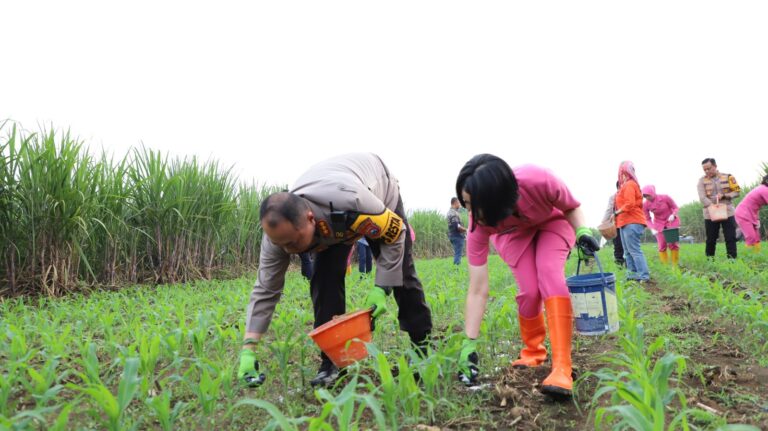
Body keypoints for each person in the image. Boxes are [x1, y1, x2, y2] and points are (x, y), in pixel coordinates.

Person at [238, 153, 433, 388]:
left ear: (310, 219)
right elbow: (266, 289)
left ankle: (421, 347)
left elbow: (396, 234)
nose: (288, 250)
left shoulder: (354, 202)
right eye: (281, 244)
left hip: (377, 190)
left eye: (293, 242)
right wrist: (248, 348)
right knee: (324, 280)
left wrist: (382, 287)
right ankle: (332, 361)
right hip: (330, 216)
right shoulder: (278, 235)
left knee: (402, 273)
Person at [454, 154, 600, 397]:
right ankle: (533, 352)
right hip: (511, 234)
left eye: (472, 204)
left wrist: (582, 231)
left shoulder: (538, 180)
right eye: (466, 204)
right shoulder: (478, 225)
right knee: (530, 291)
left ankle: (562, 367)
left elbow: (571, 206)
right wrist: (469, 342)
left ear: (495, 200)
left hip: (552, 221)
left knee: (549, 275)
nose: (469, 212)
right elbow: (477, 289)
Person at [613, 161, 650, 282]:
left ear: (624, 172)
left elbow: (630, 203)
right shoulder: (626, 185)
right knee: (627, 252)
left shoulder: (629, 184)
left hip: (632, 221)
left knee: (634, 250)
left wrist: (616, 213)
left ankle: (644, 276)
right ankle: (632, 275)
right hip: (624, 222)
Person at [697, 158, 741, 259]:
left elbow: (737, 192)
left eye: (709, 168)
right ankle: (710, 259)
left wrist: (725, 195)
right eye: (704, 170)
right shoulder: (701, 181)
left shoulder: (728, 177)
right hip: (710, 213)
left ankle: (732, 260)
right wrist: (713, 206)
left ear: (715, 166)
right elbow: (702, 197)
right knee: (711, 238)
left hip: (728, 211)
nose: (707, 171)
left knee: (730, 237)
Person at [642, 185, 680, 266]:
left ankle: (675, 265)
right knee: (662, 245)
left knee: (673, 244)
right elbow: (647, 219)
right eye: (645, 196)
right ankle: (665, 266)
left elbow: (675, 207)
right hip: (658, 224)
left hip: (671, 221)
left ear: (652, 192)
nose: (647, 198)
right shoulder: (645, 205)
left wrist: (673, 214)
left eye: (648, 195)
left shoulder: (665, 197)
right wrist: (652, 228)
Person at [735, 175, 768, 253]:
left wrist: (757, 219)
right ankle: (750, 257)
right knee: (751, 237)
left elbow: (756, 205)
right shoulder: (764, 189)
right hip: (743, 213)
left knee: (756, 238)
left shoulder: (762, 188)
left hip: (752, 214)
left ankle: (756, 256)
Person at [601, 182, 625, 267]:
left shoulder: (627, 194)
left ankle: (626, 265)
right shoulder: (614, 196)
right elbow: (609, 210)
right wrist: (604, 222)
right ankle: (620, 265)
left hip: (626, 223)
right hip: (617, 224)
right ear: (618, 187)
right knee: (619, 245)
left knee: (621, 245)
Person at [446, 197, 467, 265]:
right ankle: (456, 268)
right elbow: (457, 226)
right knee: (458, 253)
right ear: (455, 203)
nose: (460, 205)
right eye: (459, 203)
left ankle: (456, 267)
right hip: (457, 236)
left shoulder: (450, 212)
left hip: (453, 235)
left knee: (457, 252)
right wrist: (466, 230)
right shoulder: (453, 213)